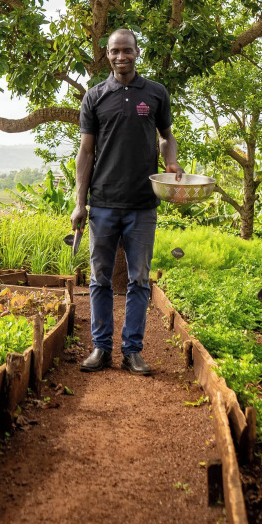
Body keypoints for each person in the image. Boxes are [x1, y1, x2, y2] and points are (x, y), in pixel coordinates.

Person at [70, 28, 183, 375]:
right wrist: (79, 203)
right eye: (115, 51)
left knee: (139, 280)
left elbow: (166, 137)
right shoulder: (94, 97)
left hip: (143, 204)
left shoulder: (156, 93)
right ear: (107, 55)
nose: (121, 56)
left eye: (127, 50)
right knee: (99, 279)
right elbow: (85, 153)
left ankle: (132, 351)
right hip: (103, 203)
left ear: (137, 52)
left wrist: (171, 161)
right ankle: (101, 348)